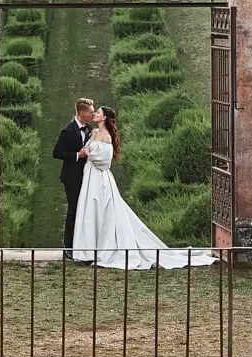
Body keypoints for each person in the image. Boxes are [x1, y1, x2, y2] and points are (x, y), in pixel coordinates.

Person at [69, 106, 217, 270]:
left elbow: (105, 161)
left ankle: (104, 250)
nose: (95, 114)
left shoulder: (106, 136)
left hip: (100, 178)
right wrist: (86, 151)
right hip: (89, 176)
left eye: (98, 112)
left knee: (104, 212)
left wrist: (89, 153)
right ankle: (89, 252)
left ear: (104, 118)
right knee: (89, 211)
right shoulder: (94, 132)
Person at [52, 98, 98, 257]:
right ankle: (68, 247)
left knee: (85, 209)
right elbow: (56, 153)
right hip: (71, 177)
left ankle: (83, 244)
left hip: (87, 175)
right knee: (73, 210)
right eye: (91, 112)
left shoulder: (89, 128)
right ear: (82, 113)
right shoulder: (68, 131)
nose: (93, 114)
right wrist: (77, 155)